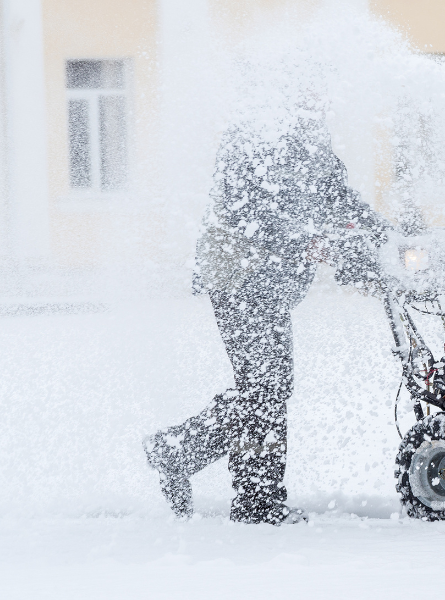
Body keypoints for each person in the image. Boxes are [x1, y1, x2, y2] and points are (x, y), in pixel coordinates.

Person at [143, 113, 392, 525]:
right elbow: (252, 207)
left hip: (270, 286)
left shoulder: (311, 140)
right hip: (239, 278)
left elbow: (340, 199)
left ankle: (178, 452)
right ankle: (255, 501)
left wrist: (391, 238)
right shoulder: (252, 134)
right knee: (266, 387)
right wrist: (308, 236)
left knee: (266, 388)